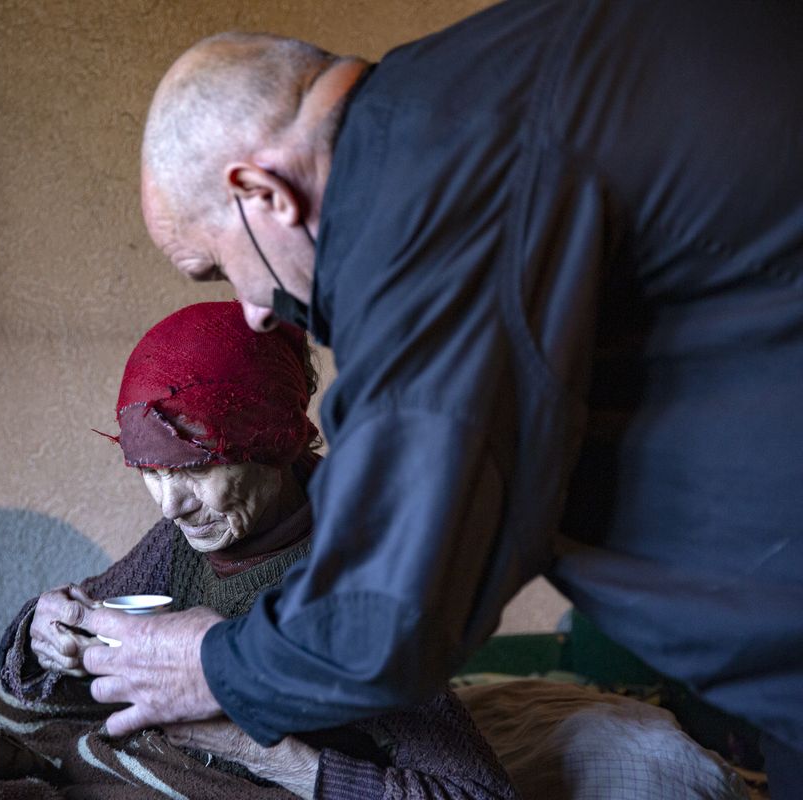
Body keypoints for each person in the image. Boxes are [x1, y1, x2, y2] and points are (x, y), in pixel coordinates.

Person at [78, 2, 803, 794]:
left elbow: (388, 609)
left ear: (263, 193)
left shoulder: (425, 192)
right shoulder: (479, 87)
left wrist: (213, 669)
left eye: (220, 268)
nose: (253, 310)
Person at [0, 301, 517, 799]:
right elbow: (82, 629)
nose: (169, 506)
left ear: (274, 443)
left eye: (195, 468)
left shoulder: (353, 576)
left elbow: (477, 794)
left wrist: (259, 751)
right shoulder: (189, 538)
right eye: (149, 473)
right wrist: (42, 631)